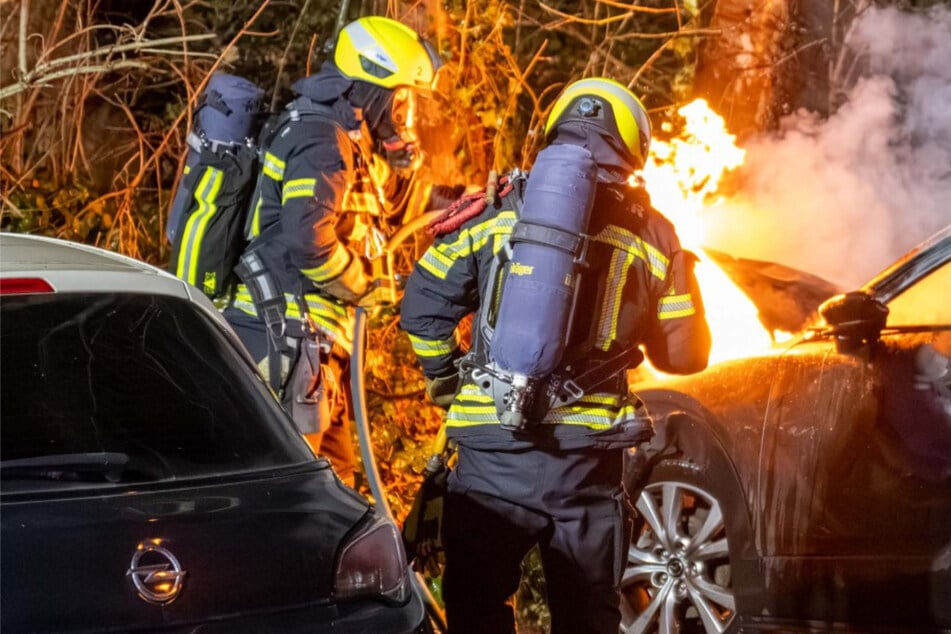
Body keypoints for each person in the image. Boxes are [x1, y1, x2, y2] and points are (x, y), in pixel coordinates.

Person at [400, 77, 712, 633]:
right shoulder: (654, 235)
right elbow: (685, 357)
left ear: (554, 131)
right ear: (631, 146)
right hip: (585, 466)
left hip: (491, 454)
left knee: (476, 609)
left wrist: (447, 382)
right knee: (587, 616)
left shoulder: (492, 212)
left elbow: (422, 311)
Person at [223, 16, 442, 487]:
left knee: (334, 490)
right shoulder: (322, 140)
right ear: (373, 89)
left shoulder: (344, 145)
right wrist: (366, 286)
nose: (405, 110)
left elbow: (399, 208)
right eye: (401, 97)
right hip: (287, 342)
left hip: (314, 351)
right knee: (298, 498)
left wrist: (476, 197)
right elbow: (309, 241)